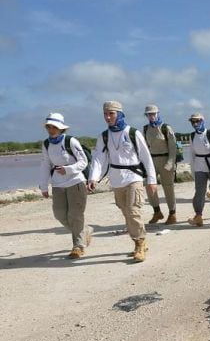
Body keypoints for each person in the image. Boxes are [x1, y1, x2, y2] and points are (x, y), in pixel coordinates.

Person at [87, 101, 157, 262]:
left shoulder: (132, 133)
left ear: (119, 114)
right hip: (116, 179)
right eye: (105, 114)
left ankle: (139, 244)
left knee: (133, 211)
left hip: (134, 177)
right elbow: (98, 159)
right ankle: (140, 240)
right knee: (126, 212)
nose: (108, 117)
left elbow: (146, 157)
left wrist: (152, 180)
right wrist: (93, 177)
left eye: (111, 113)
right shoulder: (103, 136)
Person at [38, 112, 93, 259]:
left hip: (75, 181)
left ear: (61, 128)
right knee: (60, 214)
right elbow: (45, 164)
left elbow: (83, 161)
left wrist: (68, 169)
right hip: (57, 184)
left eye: (54, 126)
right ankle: (84, 231)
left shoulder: (71, 141)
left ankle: (78, 246)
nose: (51, 129)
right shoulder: (46, 144)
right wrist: (43, 186)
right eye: (48, 126)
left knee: (75, 215)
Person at [142, 104, 177, 225]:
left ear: (158, 113)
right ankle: (157, 211)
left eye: (153, 114)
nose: (151, 116)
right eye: (149, 114)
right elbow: (145, 147)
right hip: (152, 161)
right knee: (149, 186)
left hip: (165, 159)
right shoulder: (146, 129)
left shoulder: (166, 128)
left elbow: (173, 147)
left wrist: (170, 163)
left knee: (168, 188)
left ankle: (172, 214)